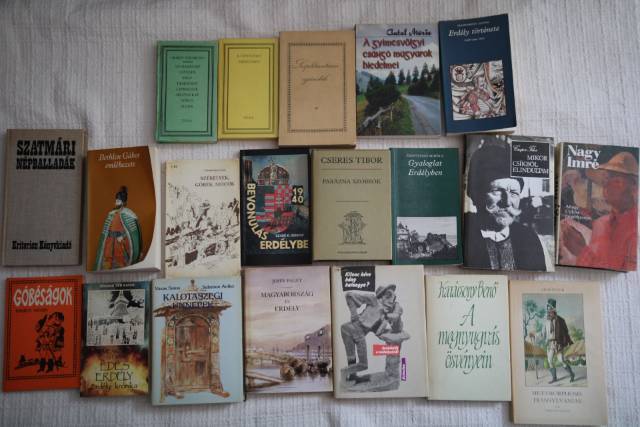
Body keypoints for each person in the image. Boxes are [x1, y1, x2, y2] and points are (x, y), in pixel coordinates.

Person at [465, 142, 547, 270]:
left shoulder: (529, 239)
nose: (507, 202)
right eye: (497, 191)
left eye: (514, 193)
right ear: (475, 194)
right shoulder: (463, 236)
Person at [560, 151, 638, 271]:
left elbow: (614, 269)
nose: (606, 184)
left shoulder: (633, 230)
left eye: (617, 181)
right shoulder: (600, 223)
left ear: (634, 188)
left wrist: (581, 251)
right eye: (607, 178)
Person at [340, 284, 405, 385]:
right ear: (382, 296)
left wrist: (391, 318)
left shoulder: (383, 315)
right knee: (363, 364)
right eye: (388, 296)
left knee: (351, 357)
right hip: (354, 330)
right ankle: (344, 372)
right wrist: (354, 314)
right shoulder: (373, 299)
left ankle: (352, 377)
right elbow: (349, 296)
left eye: (393, 298)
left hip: (347, 329)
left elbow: (378, 331)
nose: (391, 301)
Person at [94, 186, 143, 270]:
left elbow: (132, 232)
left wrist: (123, 236)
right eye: (116, 200)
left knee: (120, 260)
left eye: (118, 201)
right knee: (107, 260)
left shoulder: (128, 214)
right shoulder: (111, 214)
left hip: (119, 241)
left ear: (123, 202)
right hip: (109, 240)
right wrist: (105, 239)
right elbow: (106, 230)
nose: (116, 202)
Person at [541, 299, 574, 384]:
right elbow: (543, 334)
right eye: (548, 309)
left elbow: (566, 332)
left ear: (554, 310)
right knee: (550, 360)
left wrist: (569, 341)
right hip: (550, 344)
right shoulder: (546, 322)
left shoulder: (560, 320)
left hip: (558, 343)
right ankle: (554, 378)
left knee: (561, 360)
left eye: (550, 309)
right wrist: (538, 337)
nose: (549, 311)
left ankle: (571, 374)